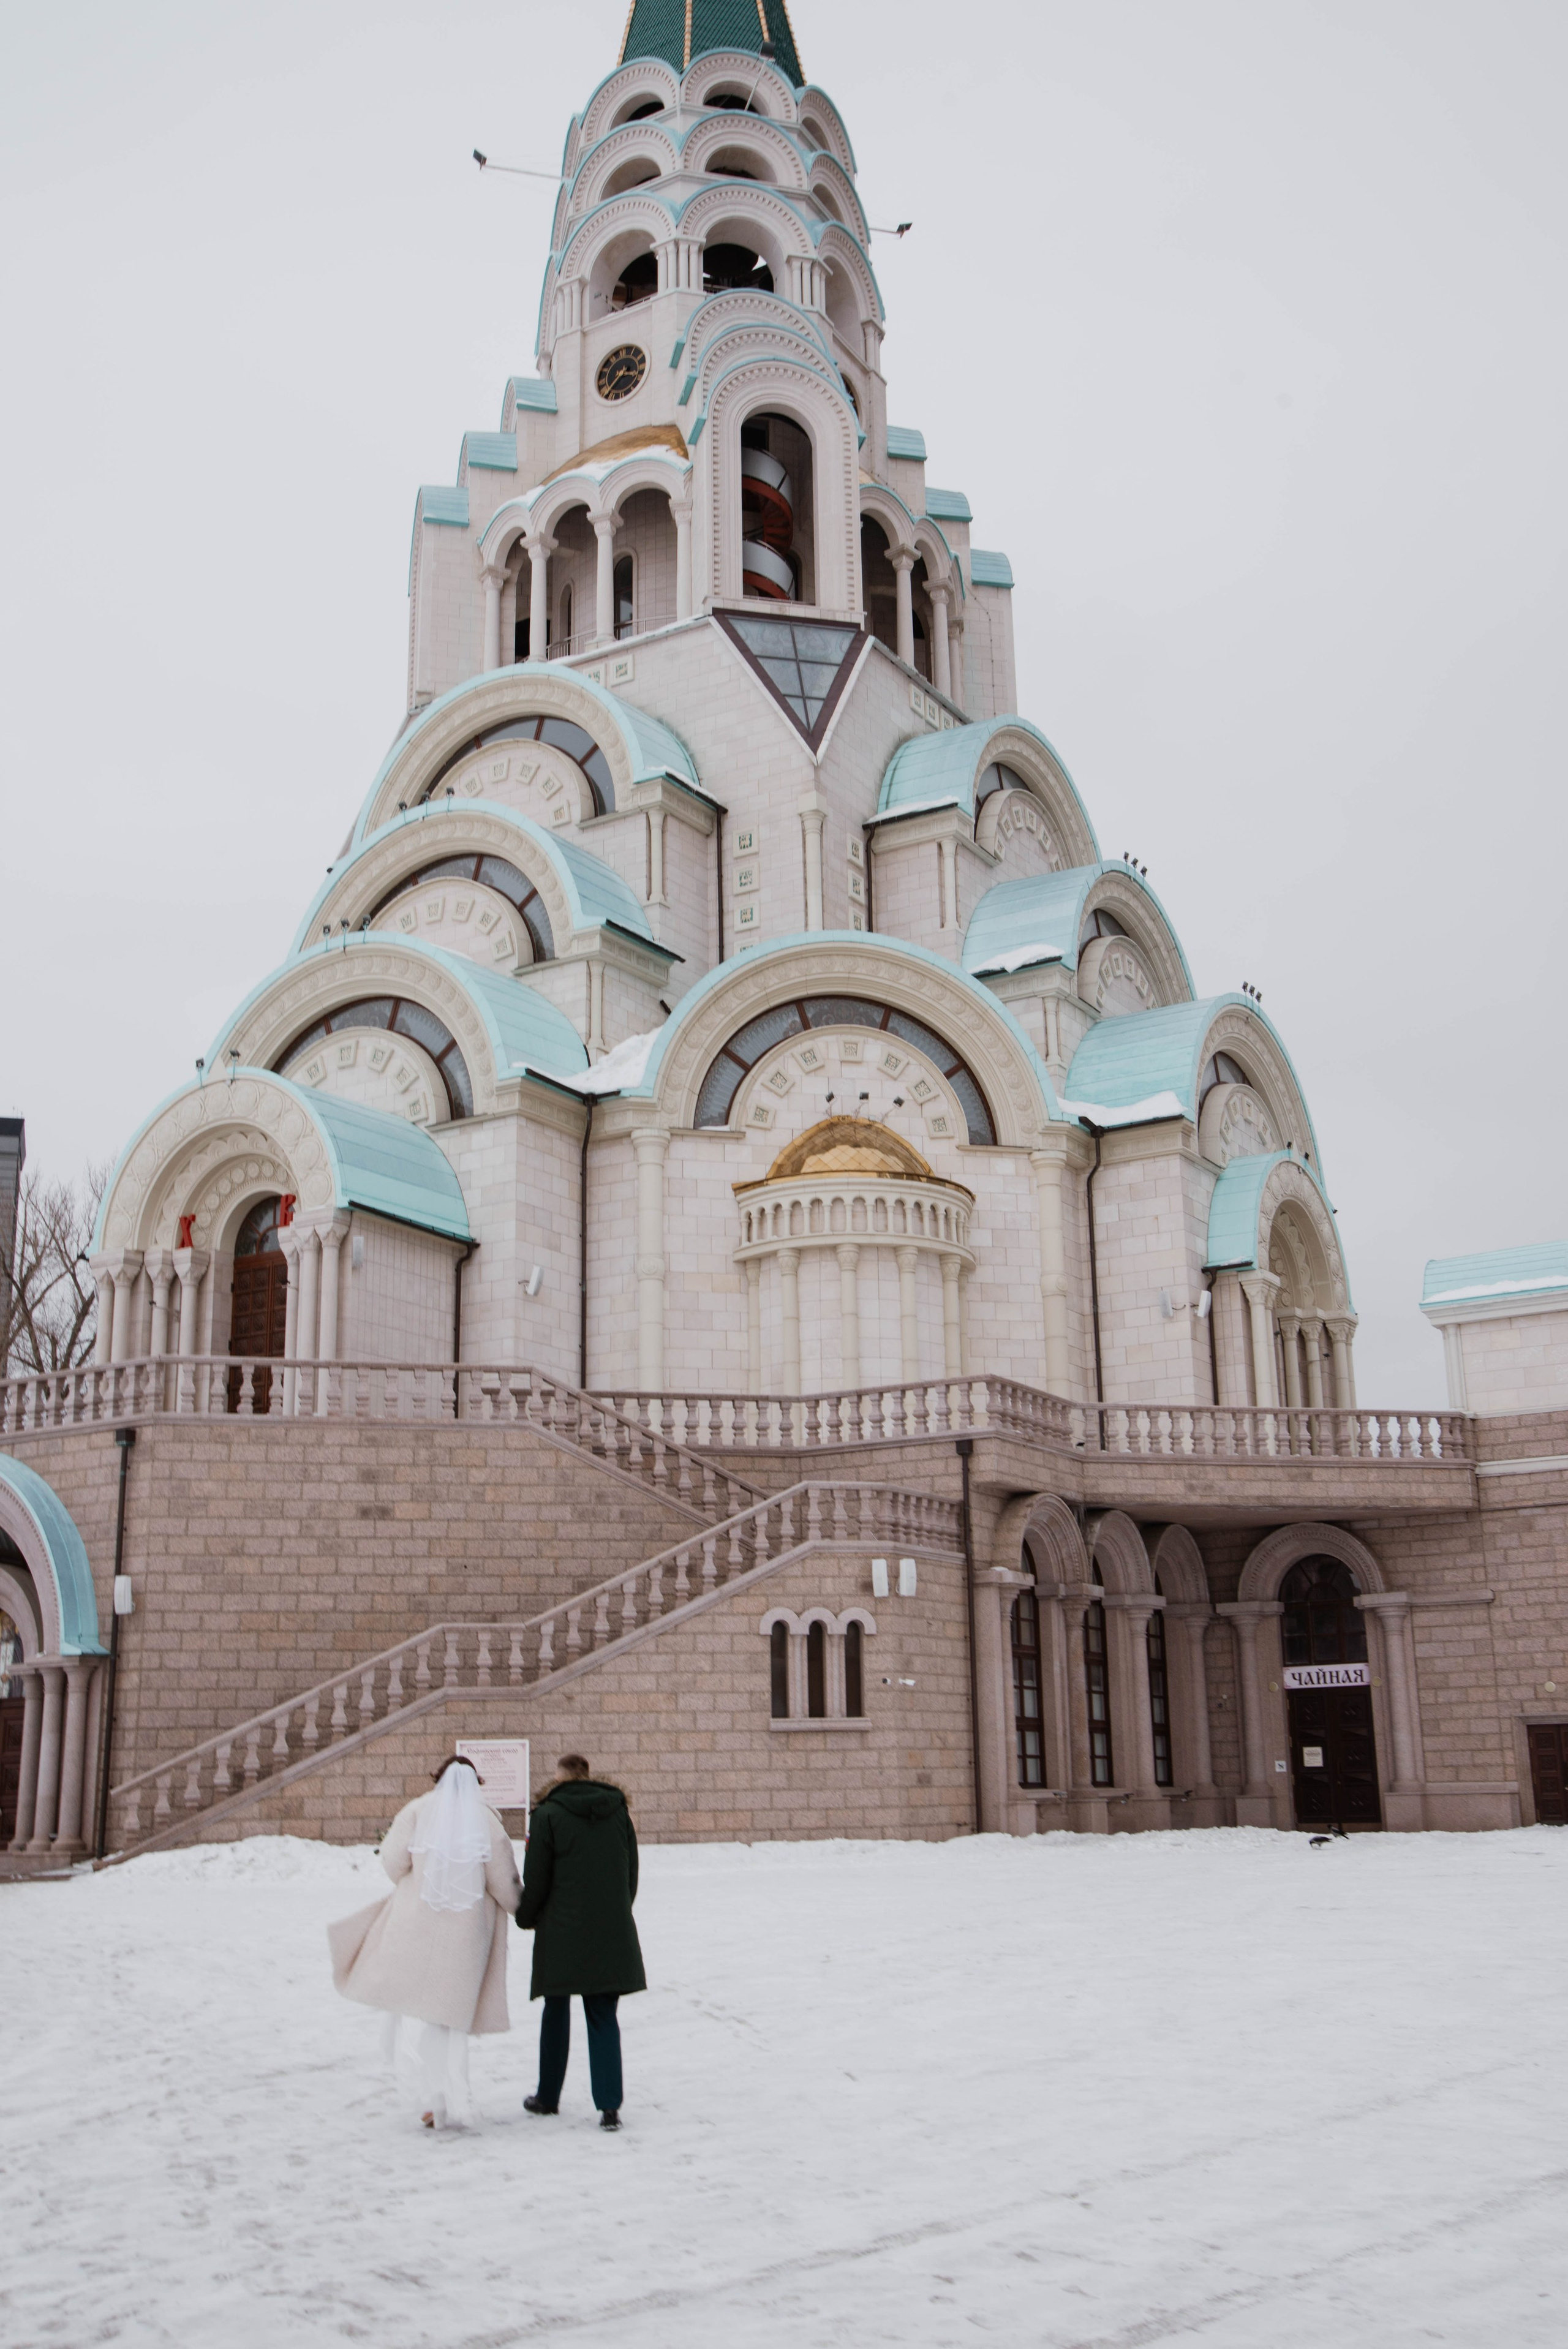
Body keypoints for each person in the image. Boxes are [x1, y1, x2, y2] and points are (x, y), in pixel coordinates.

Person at [328, 1754, 521, 2128]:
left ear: (439, 1778)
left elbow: (393, 1863)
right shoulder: (486, 1820)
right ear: (476, 1783)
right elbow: (503, 1879)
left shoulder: (416, 1811)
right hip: (467, 1935)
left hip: (418, 1926)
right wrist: (523, 1910)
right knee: (452, 2019)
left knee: (427, 2015)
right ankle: (455, 2095)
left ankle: (434, 2099)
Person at [515, 1753, 646, 2132]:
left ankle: (548, 2096)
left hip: (560, 1930)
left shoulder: (547, 1815)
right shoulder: (618, 1810)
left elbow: (536, 1877)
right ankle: (609, 2108)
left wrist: (527, 1917)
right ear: (588, 1776)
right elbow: (630, 1871)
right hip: (610, 1928)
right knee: (603, 2016)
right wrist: (618, 1910)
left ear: (560, 1778)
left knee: (555, 2011)